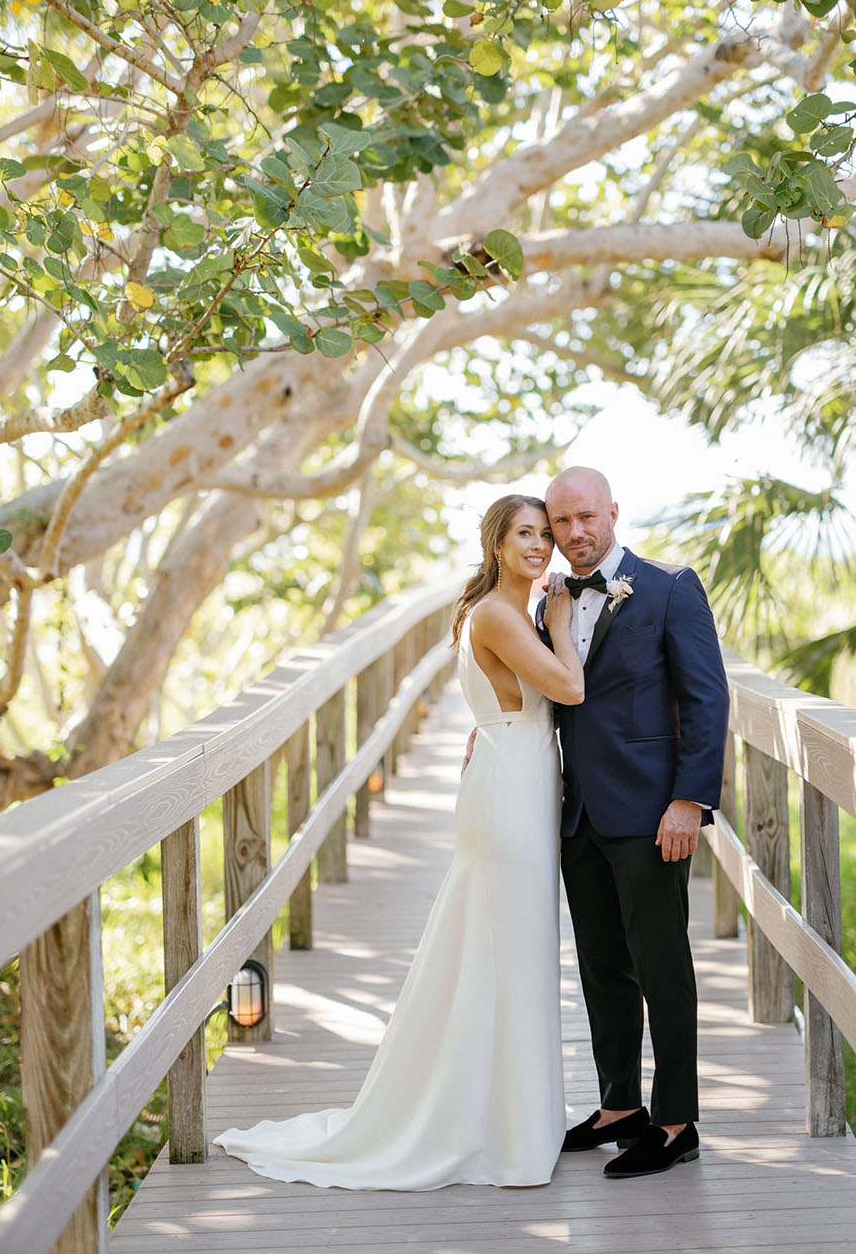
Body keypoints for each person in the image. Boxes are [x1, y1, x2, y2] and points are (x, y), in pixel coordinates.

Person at [214, 494, 583, 1189]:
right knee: (514, 953)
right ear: (497, 545)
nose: (540, 545)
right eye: (524, 534)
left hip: (514, 779)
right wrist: (561, 621)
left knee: (508, 955)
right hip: (510, 797)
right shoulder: (505, 614)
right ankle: (505, 1136)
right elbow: (568, 686)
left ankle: (514, 1120)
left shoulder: (502, 609)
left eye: (545, 533)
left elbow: (510, 700)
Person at [539, 466, 729, 1180]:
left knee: (661, 966)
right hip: (579, 813)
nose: (576, 533)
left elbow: (707, 700)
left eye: (587, 517)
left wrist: (690, 799)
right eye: (562, 522)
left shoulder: (669, 587)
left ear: (613, 512)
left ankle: (677, 1121)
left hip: (653, 813)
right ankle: (620, 1105)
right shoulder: (550, 600)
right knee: (601, 968)